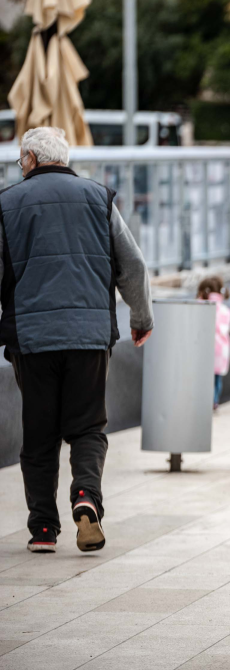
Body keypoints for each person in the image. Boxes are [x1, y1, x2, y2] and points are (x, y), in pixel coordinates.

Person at [0, 127, 153, 553]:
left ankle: (43, 529)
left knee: (40, 432)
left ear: (30, 158)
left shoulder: (6, 203)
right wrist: (141, 317)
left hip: (32, 338)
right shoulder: (98, 198)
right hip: (89, 336)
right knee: (87, 426)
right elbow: (133, 265)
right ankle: (86, 498)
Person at [197, 277, 230, 410]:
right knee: (217, 379)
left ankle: (205, 402)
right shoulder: (225, 310)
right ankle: (214, 401)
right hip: (221, 350)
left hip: (205, 348)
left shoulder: (202, 307)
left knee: (204, 379)